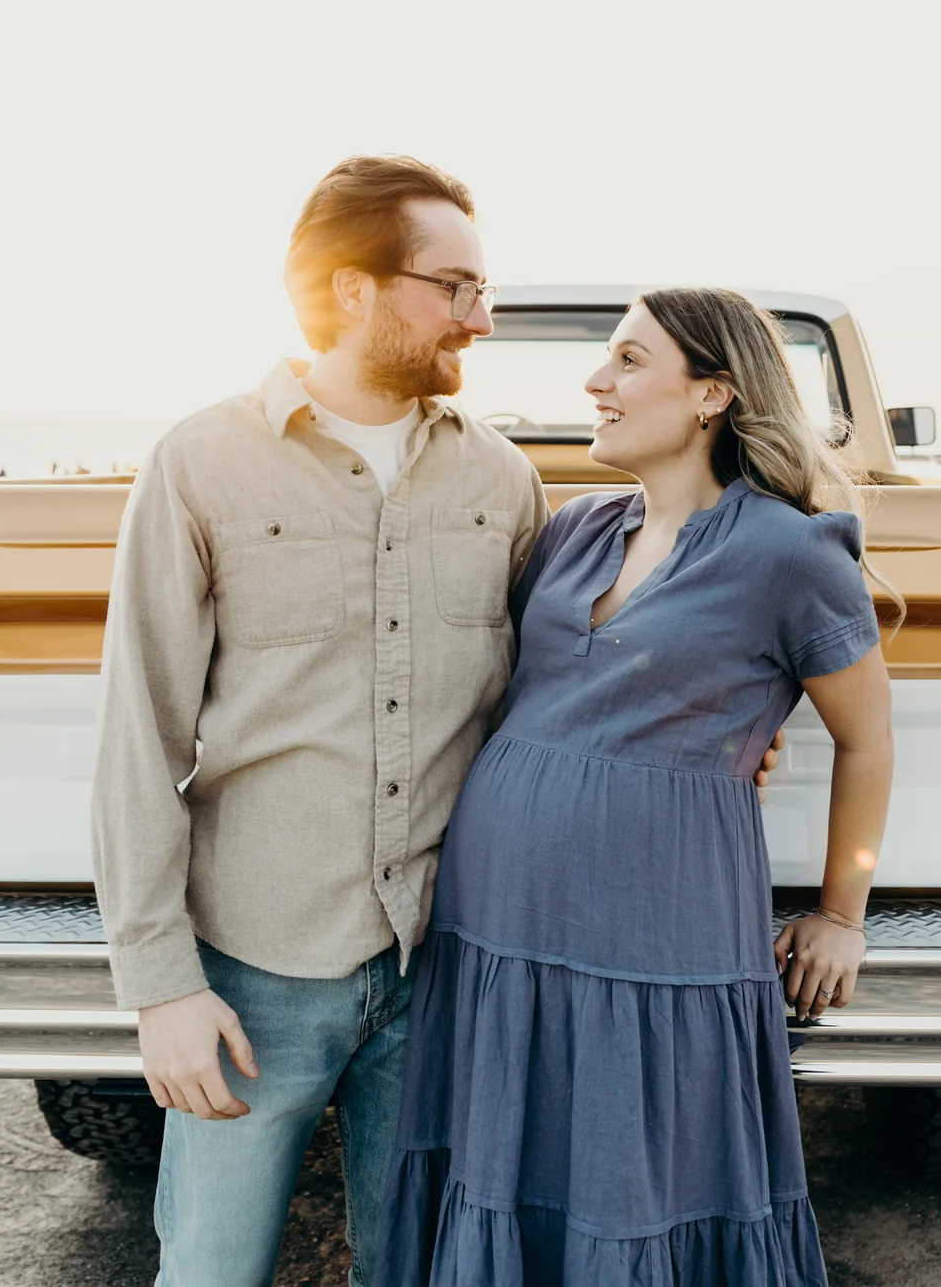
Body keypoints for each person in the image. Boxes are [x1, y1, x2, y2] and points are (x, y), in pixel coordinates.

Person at [92, 158, 790, 1286]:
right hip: (262, 964)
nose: (483, 315)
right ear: (351, 288)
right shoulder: (199, 463)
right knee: (209, 1269)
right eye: (454, 285)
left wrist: (718, 729)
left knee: (421, 1267)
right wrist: (161, 985)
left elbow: (561, 684)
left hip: (452, 970)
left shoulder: (503, 482)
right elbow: (141, 737)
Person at [376, 287, 898, 1286]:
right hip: (498, 931)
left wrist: (841, 911)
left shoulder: (788, 552)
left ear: (712, 393)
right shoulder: (576, 530)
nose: (594, 382)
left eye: (625, 360)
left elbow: (865, 740)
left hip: (655, 943)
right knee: (502, 1171)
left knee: (637, 1186)